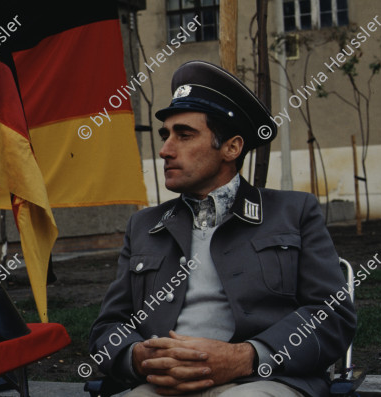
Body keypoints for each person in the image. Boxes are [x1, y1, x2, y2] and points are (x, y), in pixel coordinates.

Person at [89, 60, 356, 397]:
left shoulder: (293, 212)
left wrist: (246, 357)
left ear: (231, 147)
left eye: (184, 135)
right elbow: (107, 328)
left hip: (261, 381)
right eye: (165, 135)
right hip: (160, 385)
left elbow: (331, 317)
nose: (165, 150)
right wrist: (138, 357)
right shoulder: (144, 225)